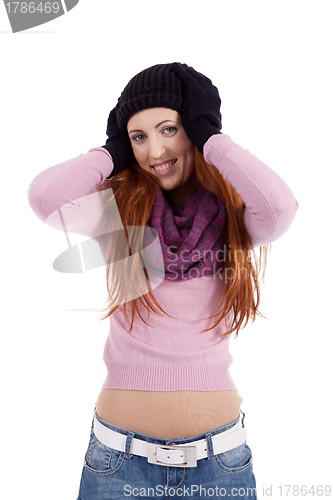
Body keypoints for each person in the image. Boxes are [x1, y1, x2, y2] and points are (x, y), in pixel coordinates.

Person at [27, 63, 298, 499]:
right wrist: (112, 150)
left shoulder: (235, 220)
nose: (154, 150)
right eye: (139, 136)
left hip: (220, 465)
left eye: (169, 128)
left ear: (193, 127)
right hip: (116, 465)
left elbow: (281, 207)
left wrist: (212, 139)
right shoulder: (117, 213)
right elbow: (45, 197)